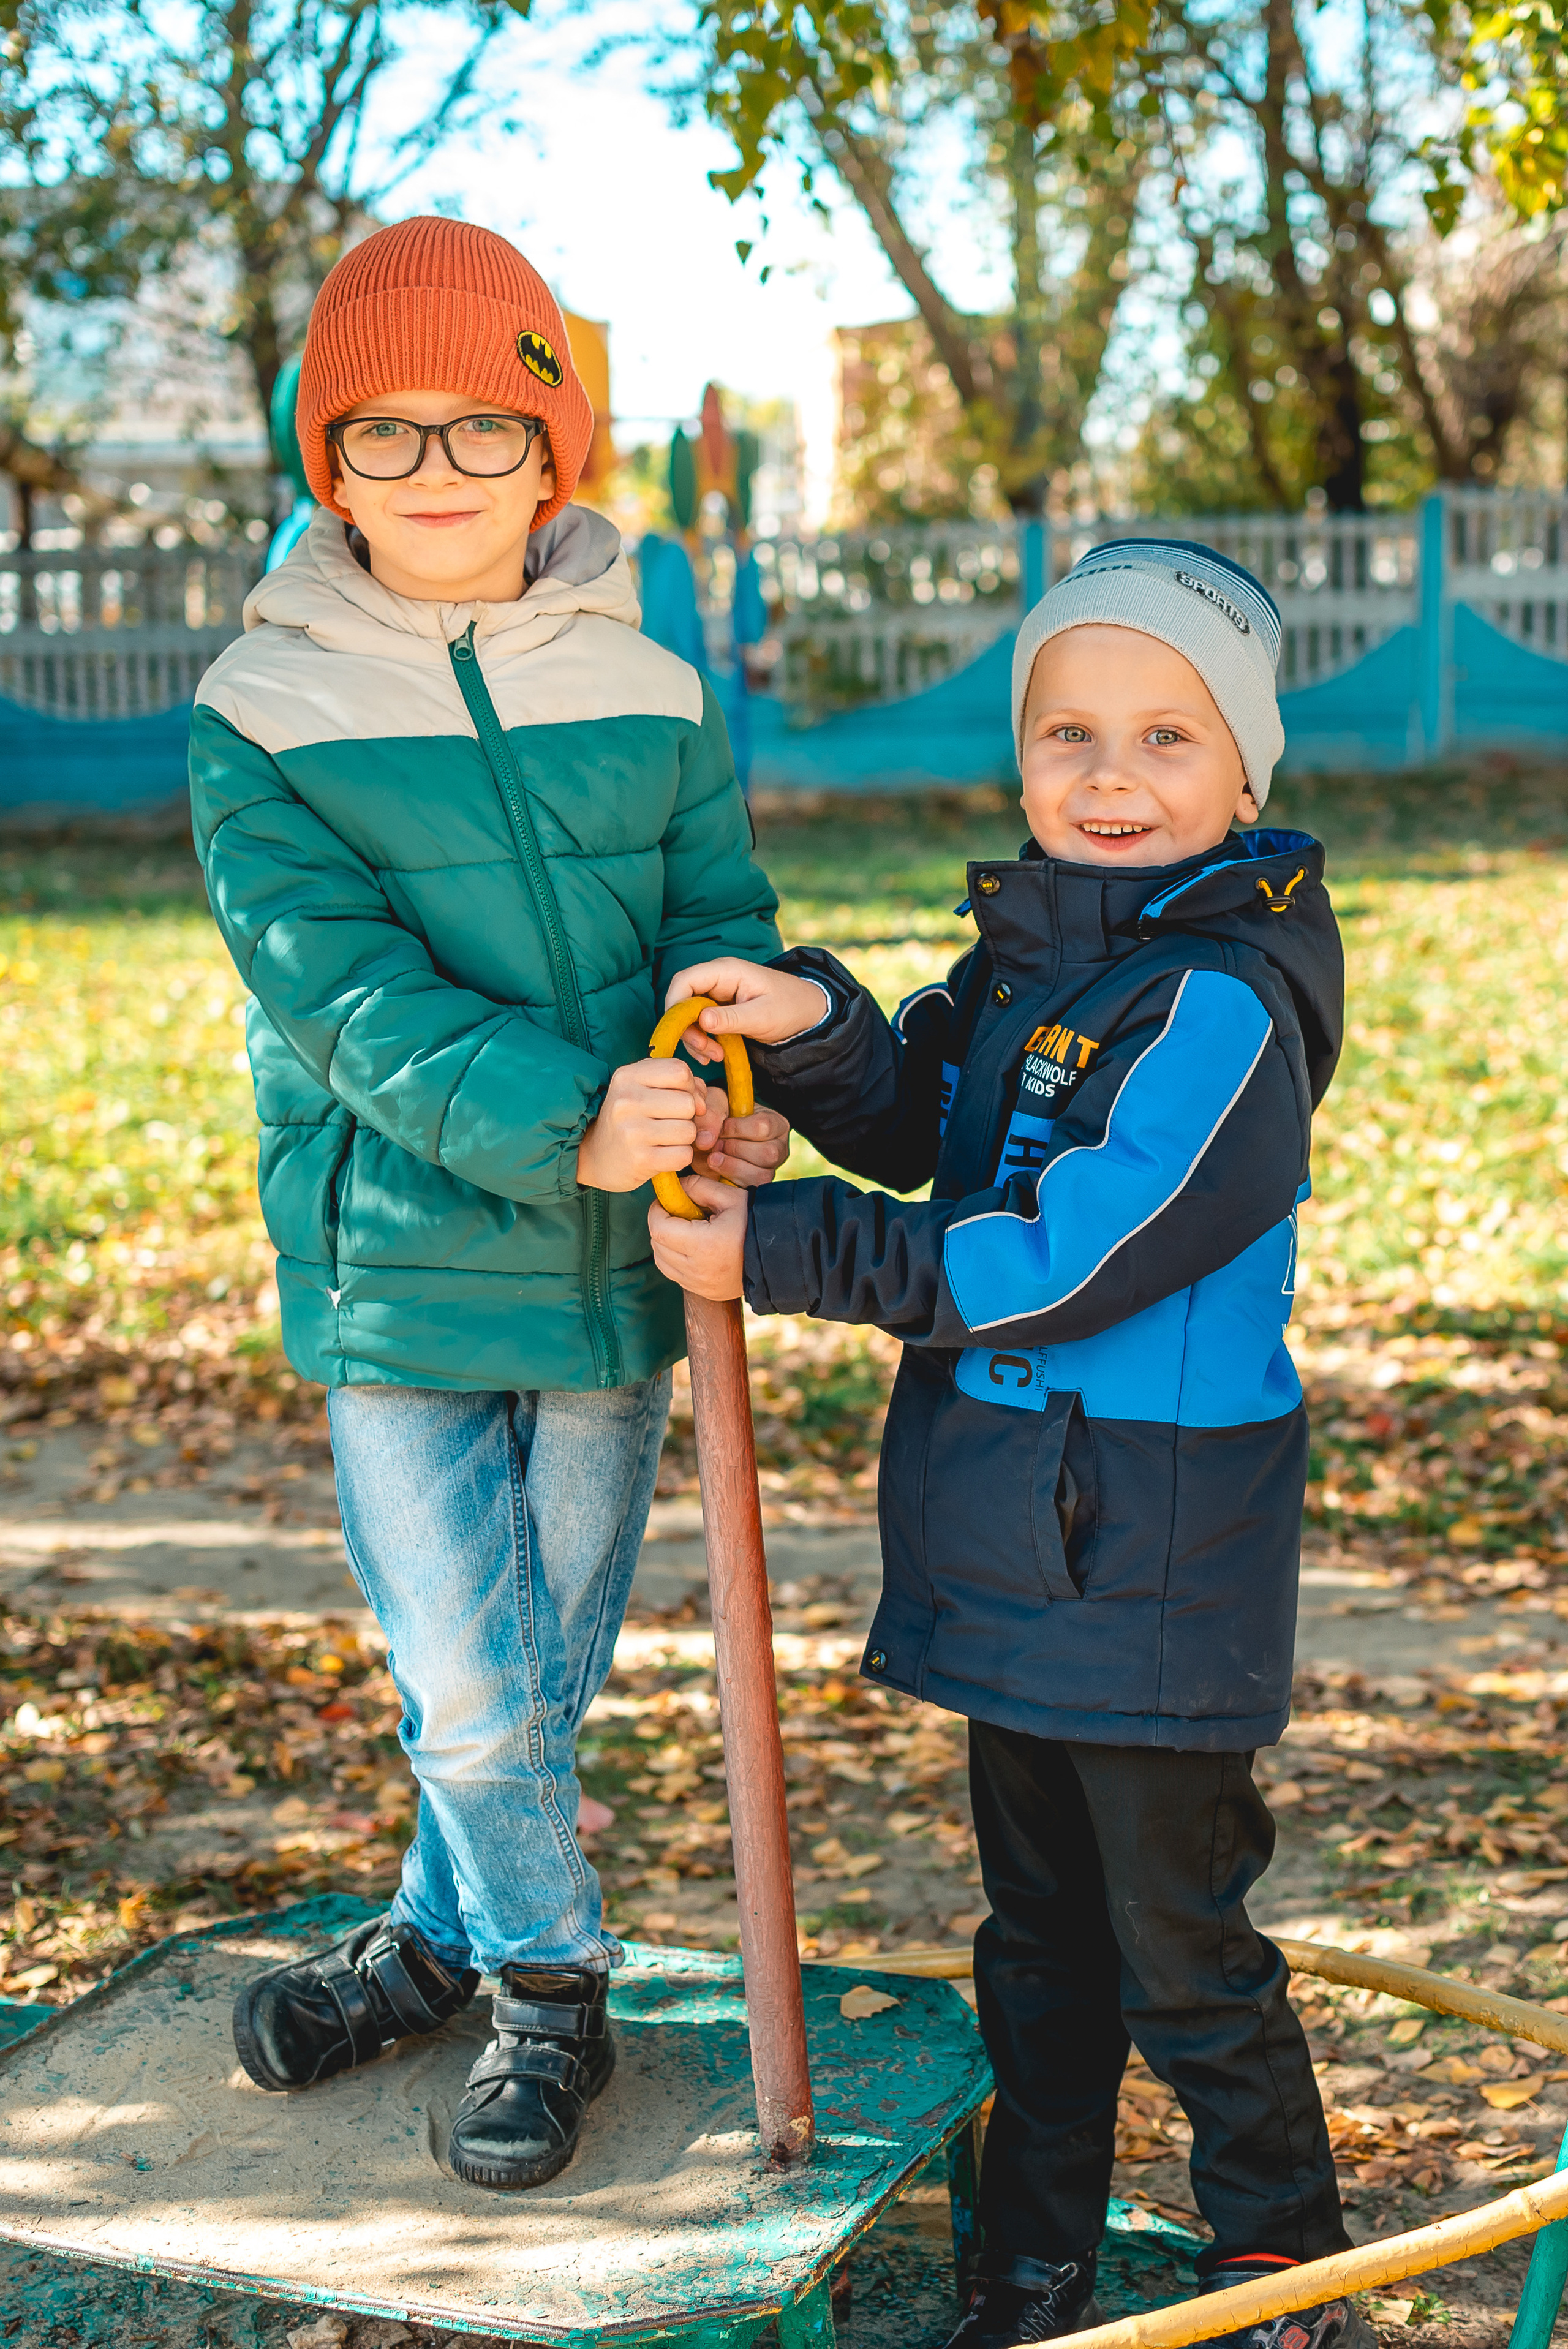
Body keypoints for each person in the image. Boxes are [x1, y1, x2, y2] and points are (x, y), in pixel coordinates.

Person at [648, 540, 1368, 2349]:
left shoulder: (1224, 1006)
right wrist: (820, 1031)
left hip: (1152, 1558)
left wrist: (784, 1252)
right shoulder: (1037, 961)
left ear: (1247, 778)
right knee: (1035, 1944)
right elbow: (933, 1124)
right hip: (1022, 1540)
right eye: (1070, 733)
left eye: (1168, 737)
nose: (1112, 775)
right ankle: (1033, 2264)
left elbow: (1068, 1256)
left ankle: (1283, 2265)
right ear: (1023, 757)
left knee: (1180, 1945)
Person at [189, 214, 790, 2192]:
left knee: (523, 1682)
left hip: (614, 1269)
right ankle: (549, 1984)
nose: (437, 467)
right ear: (329, 460)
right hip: (402, 1267)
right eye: (387, 428)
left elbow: (716, 923)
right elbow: (345, 995)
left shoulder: (651, 681)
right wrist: (570, 1117)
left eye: (485, 425)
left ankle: (429, 1941)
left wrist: (727, 1088)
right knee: (468, 1677)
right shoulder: (260, 710)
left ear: (556, 452)